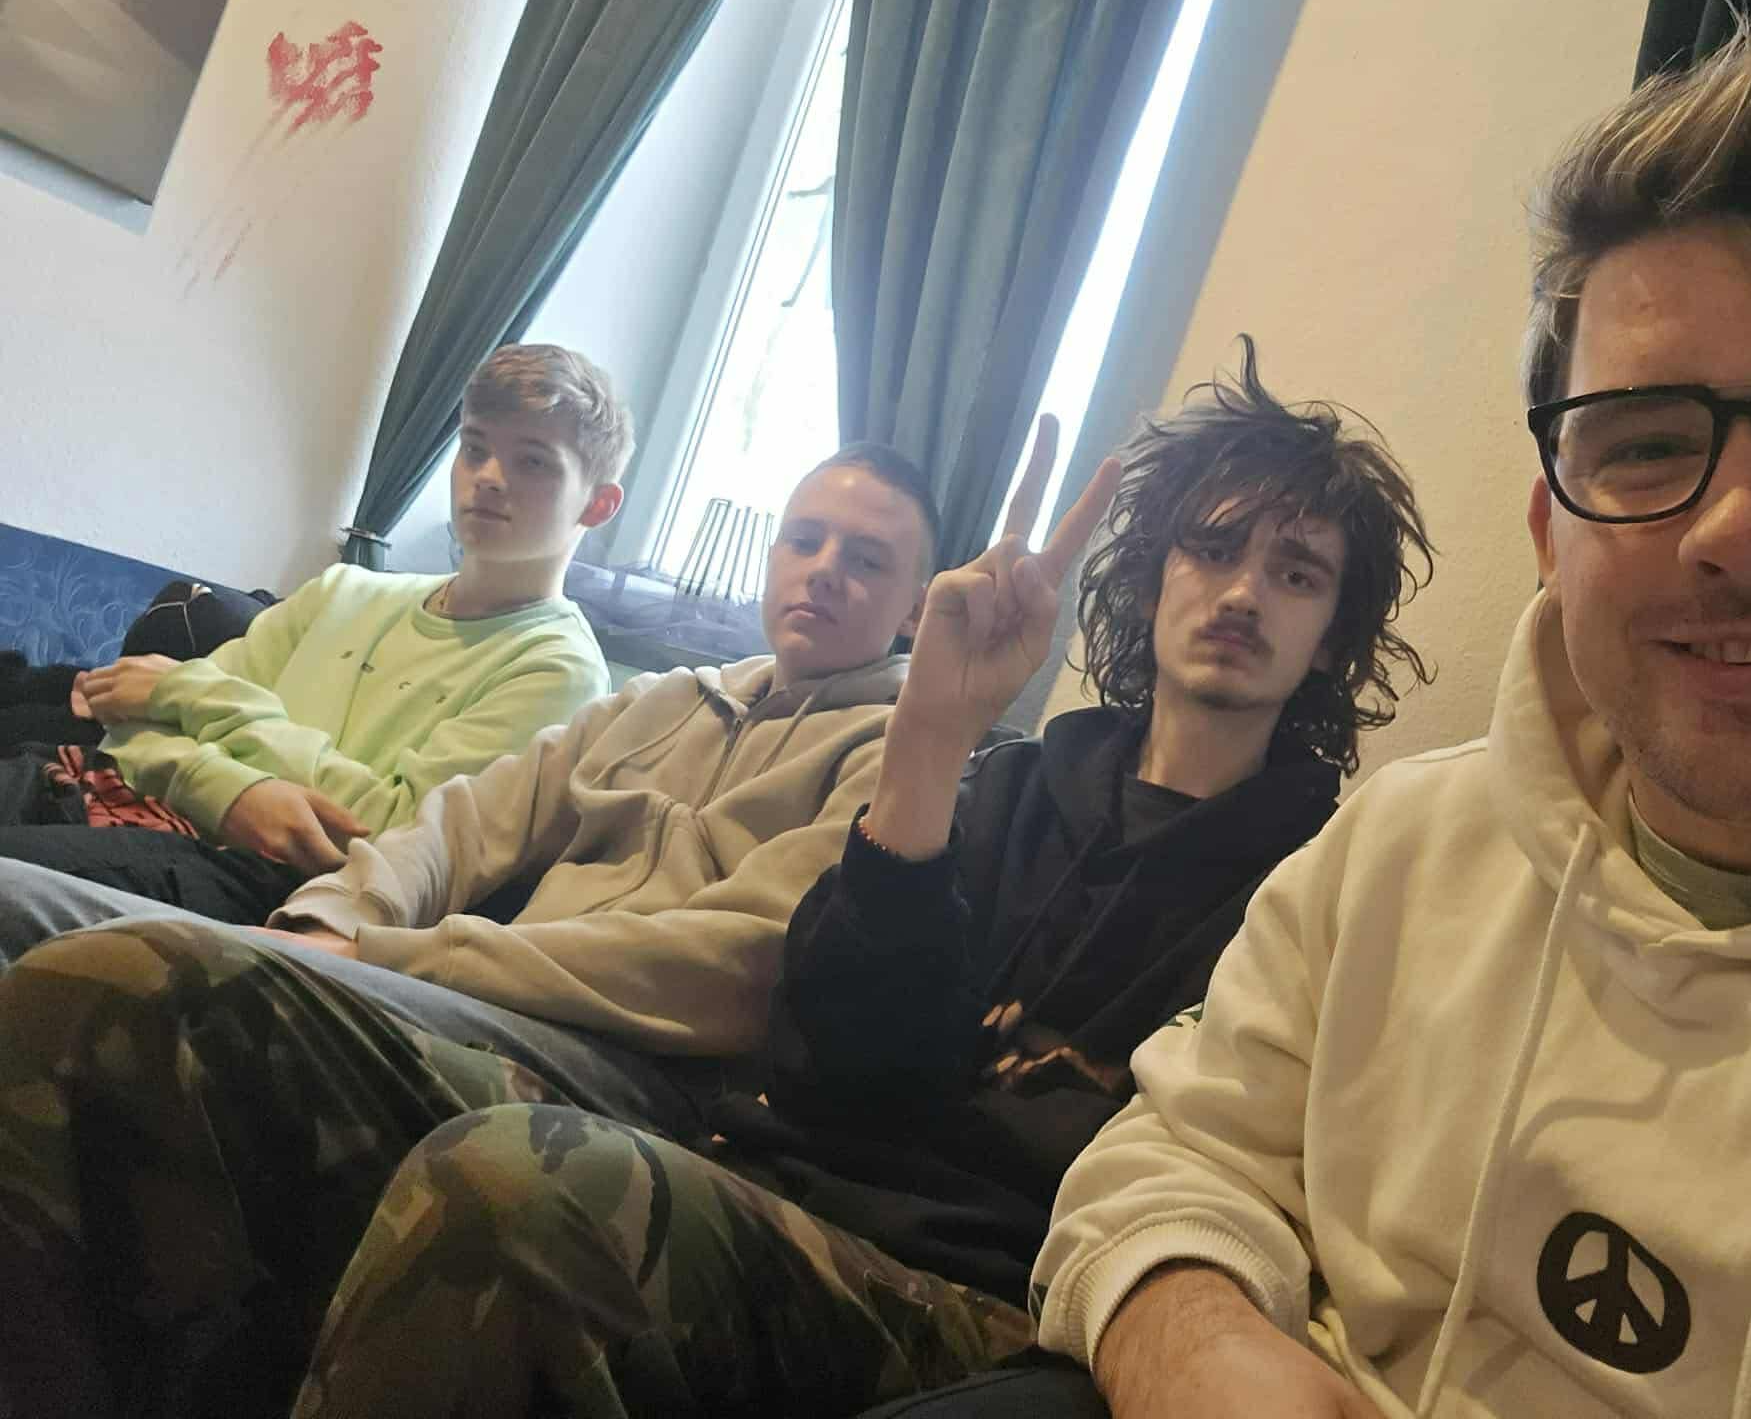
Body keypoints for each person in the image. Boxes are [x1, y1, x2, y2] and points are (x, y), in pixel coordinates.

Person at [997, 0, 1751, 1419]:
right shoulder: (1398, 852)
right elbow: (1170, 1156)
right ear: (1553, 536)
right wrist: (1192, 1342)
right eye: (1648, 445)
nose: (1739, 528)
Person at [281, 343, 1436, 1418]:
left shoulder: (1323, 884)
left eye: (1294, 573)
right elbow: (822, 1057)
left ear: (1332, 635)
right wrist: (931, 734)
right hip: (782, 1194)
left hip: (989, 1301)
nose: (1241, 594)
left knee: (513, 1184)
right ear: (1149, 580)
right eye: (1212, 549)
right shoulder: (1007, 786)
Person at [0, 433, 946, 1416]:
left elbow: (726, 966)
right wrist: (331, 914)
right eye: (804, 540)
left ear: (916, 605)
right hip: (461, 995)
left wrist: (387, 954)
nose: (823, 570)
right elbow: (452, 827)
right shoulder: (663, 702)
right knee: (22, 906)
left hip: (628, 1063)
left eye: (866, 559)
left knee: (146, 976)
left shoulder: (902, 765)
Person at [0, 342, 626, 922]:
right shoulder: (345, 591)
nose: (487, 475)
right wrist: (239, 794)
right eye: (474, 447)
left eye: (533, 462)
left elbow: (395, 837)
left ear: (597, 504)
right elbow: (135, 725)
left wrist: (190, 694)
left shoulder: (558, 670)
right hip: (105, 784)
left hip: (253, 877)